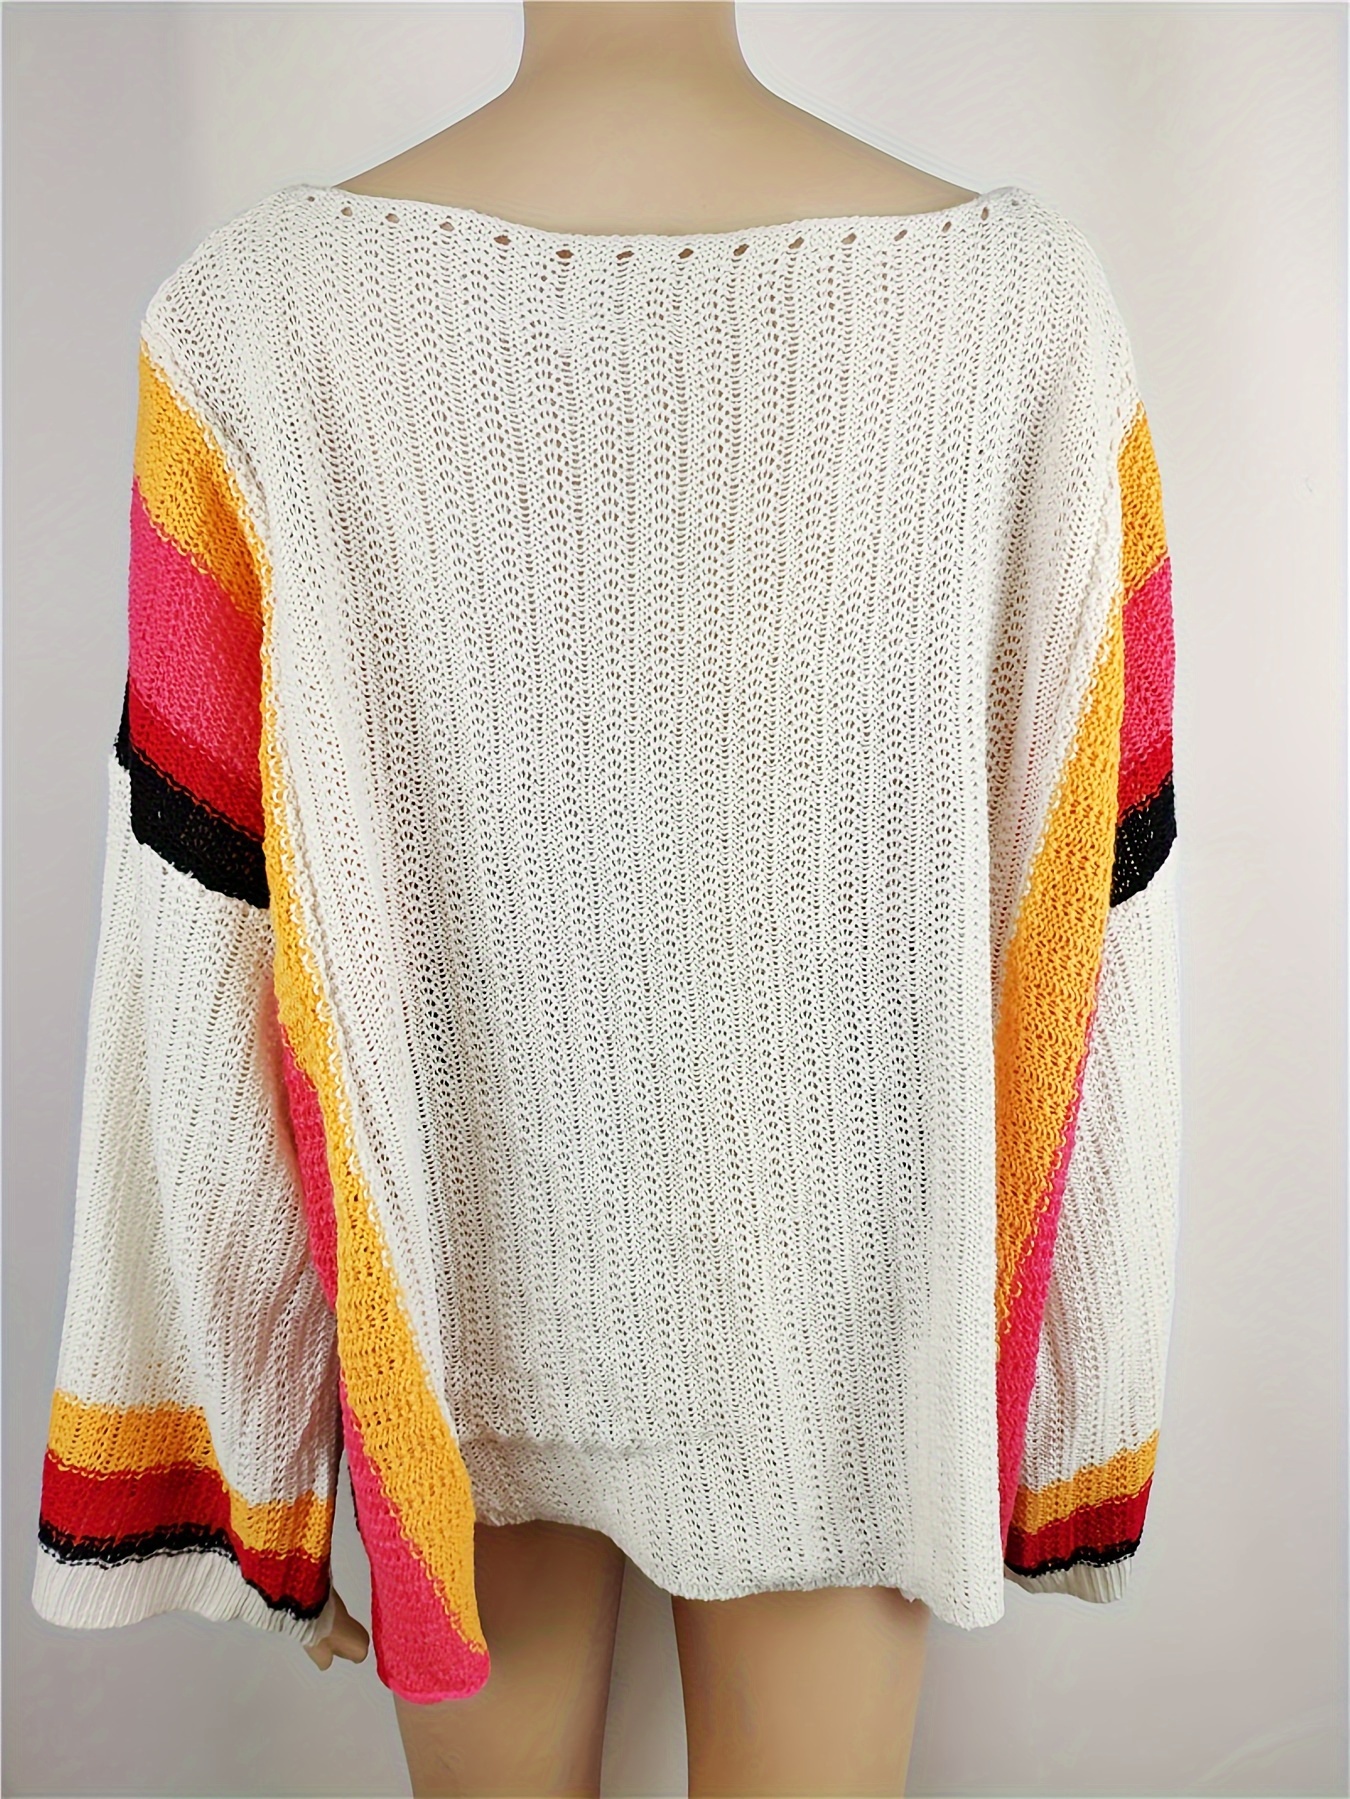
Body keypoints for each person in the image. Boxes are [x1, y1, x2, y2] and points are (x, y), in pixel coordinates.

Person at [312, 4, 967, 1793]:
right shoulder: (1006, 310)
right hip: (834, 1320)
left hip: (471, 1302)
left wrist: (232, 1422)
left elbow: (197, 929)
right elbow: (1095, 927)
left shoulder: (272, 317)